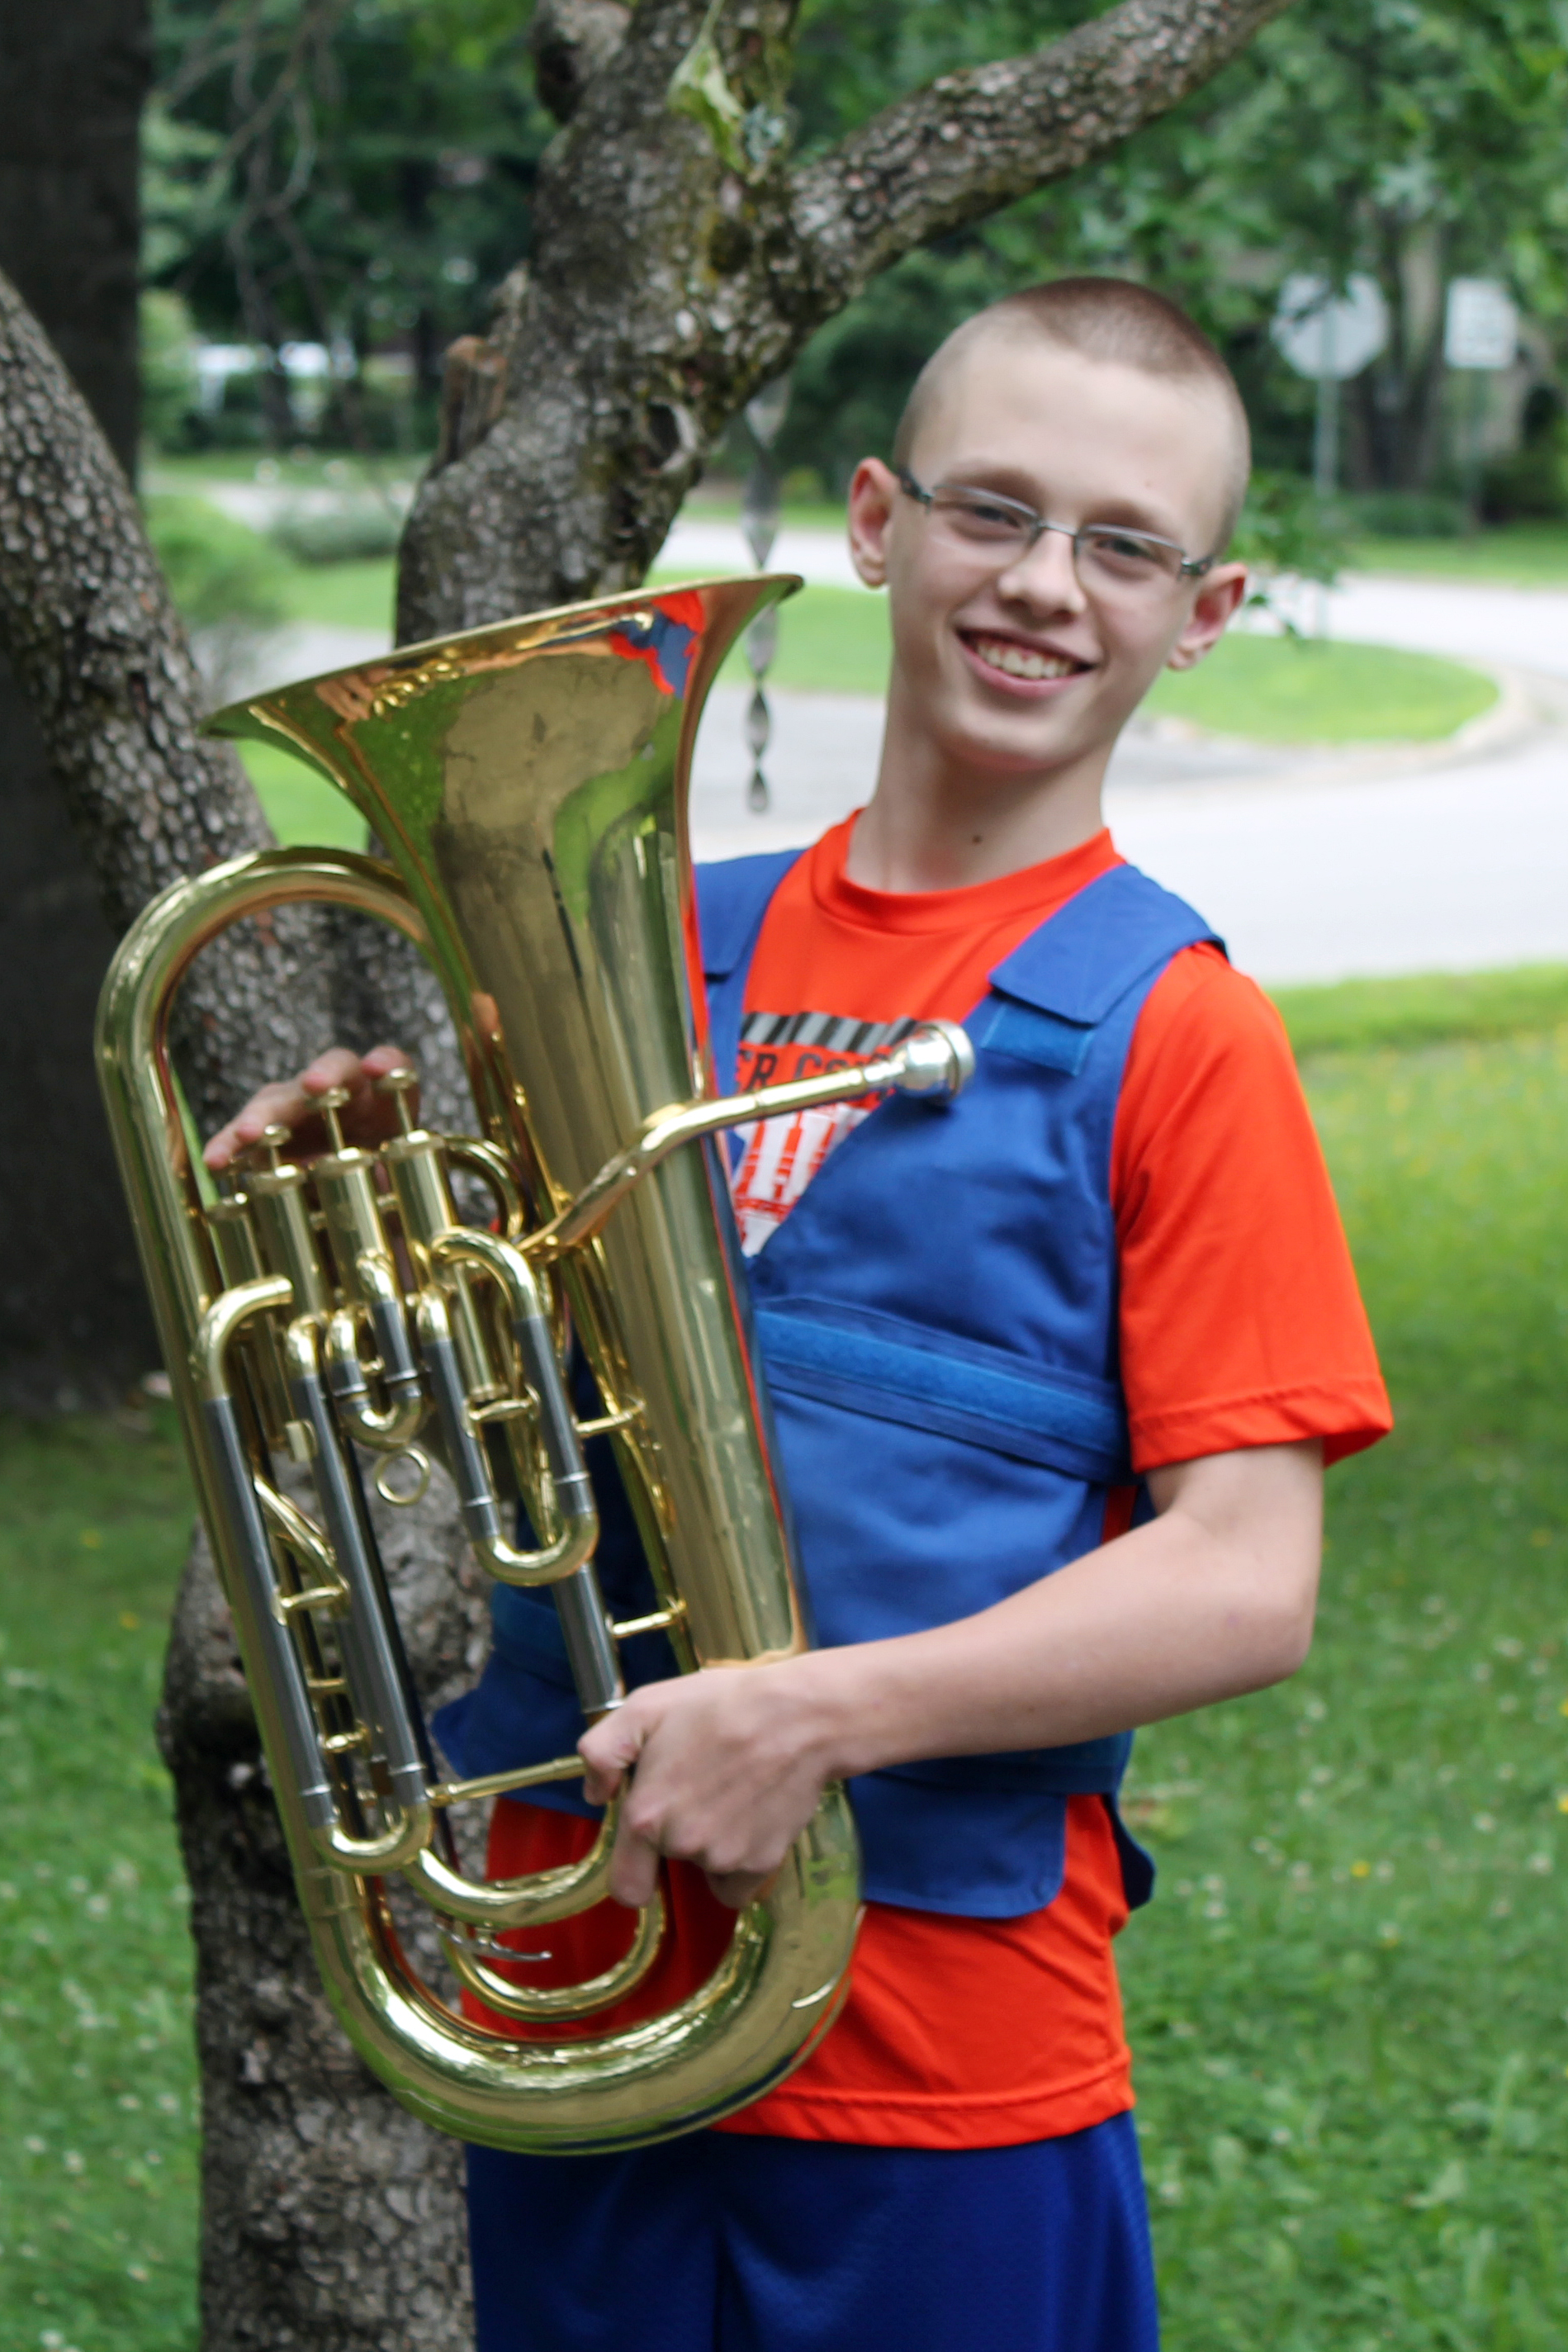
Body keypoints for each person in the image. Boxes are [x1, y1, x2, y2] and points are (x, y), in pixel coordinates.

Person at [207, 277, 1391, 2352]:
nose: (1040, 584)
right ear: (874, 518)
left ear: (1201, 612)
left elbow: (1244, 1577)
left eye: (1120, 543)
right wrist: (356, 1224)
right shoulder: (662, 938)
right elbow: (522, 1424)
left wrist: (819, 1713)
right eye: (989, 510)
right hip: (580, 1984)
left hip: (938, 2056)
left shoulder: (1176, 1035)